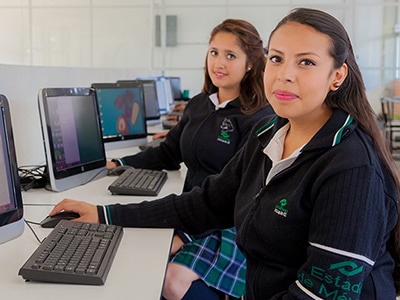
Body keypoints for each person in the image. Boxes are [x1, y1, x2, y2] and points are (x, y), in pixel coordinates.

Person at [50, 8, 400, 299]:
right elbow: (204, 204)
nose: (284, 75)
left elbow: (320, 294)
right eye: (277, 59)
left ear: (337, 76)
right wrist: (105, 214)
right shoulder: (269, 136)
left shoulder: (351, 167)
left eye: (306, 62)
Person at [106, 19, 273, 299]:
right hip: (191, 211)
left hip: (229, 223)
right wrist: (120, 164)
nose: (219, 63)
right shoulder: (199, 104)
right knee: (138, 257)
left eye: (230, 55)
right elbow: (168, 153)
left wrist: (186, 236)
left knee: (170, 279)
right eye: (214, 52)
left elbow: (242, 196)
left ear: (250, 64)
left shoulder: (259, 117)